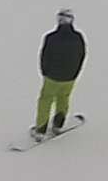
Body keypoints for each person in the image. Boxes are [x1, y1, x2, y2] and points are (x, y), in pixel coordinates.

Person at [33, 8, 85, 138]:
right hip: (70, 76)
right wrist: (76, 71)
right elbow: (82, 55)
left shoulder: (51, 37)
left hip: (52, 76)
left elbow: (44, 56)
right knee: (64, 97)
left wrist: (45, 72)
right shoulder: (78, 37)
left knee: (46, 100)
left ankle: (40, 129)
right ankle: (58, 124)